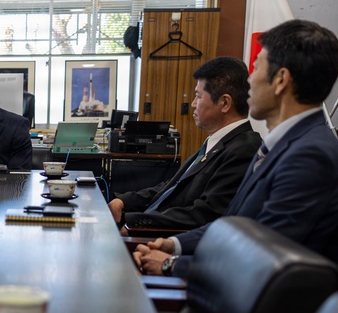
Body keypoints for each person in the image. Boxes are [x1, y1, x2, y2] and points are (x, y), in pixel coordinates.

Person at [135, 20, 338, 276]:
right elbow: (235, 225)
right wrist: (177, 244)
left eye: (257, 66)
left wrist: (170, 264)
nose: (249, 80)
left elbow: (264, 256)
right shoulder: (283, 145)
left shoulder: (310, 156)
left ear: (281, 80)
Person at [109, 57, 261, 232]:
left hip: (161, 238)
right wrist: (125, 201)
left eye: (198, 96)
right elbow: (173, 187)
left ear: (224, 103)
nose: (193, 104)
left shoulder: (244, 149)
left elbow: (205, 214)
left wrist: (134, 223)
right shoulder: (217, 142)